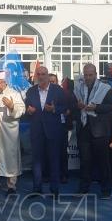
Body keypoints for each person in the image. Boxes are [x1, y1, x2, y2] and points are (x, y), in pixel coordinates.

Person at [24, 66, 68, 198]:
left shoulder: (58, 90)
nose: (41, 76)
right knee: (37, 161)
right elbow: (26, 109)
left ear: (48, 76)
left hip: (53, 130)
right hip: (37, 130)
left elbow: (65, 107)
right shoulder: (31, 91)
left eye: (43, 74)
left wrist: (54, 109)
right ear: (36, 76)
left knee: (54, 160)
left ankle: (54, 189)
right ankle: (37, 188)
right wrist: (28, 111)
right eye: (39, 74)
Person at [74, 63, 112, 199]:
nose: (87, 77)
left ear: (96, 74)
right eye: (85, 75)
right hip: (84, 128)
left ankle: (106, 190)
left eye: (90, 75)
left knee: (103, 162)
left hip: (100, 130)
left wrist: (96, 108)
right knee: (85, 161)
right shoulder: (78, 88)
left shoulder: (105, 88)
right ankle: (83, 188)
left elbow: (111, 107)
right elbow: (74, 106)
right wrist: (78, 106)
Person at [0, 69, 25, 196]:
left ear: (3, 82)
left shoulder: (14, 93)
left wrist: (12, 106)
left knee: (10, 158)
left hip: (9, 133)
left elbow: (21, 110)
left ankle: (11, 186)